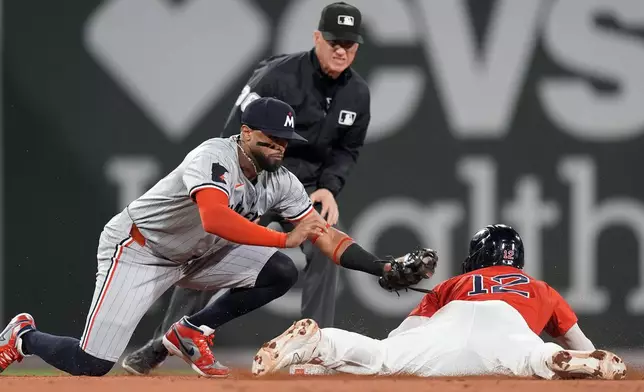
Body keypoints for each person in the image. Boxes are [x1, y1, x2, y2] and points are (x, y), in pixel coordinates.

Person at [0, 97, 422, 377]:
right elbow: (215, 218)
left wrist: (380, 266)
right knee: (90, 364)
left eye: (285, 140)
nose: (279, 147)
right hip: (140, 250)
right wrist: (283, 239)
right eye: (270, 139)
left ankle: (191, 329)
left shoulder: (282, 181)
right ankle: (23, 337)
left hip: (198, 256)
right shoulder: (212, 157)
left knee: (279, 273)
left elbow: (323, 234)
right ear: (246, 132)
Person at [121, 1, 371, 375]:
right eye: (334, 40)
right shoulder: (277, 76)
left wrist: (329, 188)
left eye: (349, 43)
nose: (341, 49)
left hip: (303, 190)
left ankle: (315, 353)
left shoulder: (358, 93)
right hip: (255, 180)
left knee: (323, 243)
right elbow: (233, 133)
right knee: (210, 249)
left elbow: (346, 150)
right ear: (317, 37)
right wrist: (235, 186)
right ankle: (163, 343)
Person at [252, 224, 627, 380]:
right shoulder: (540, 288)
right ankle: (551, 359)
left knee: (384, 357)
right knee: (531, 358)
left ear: (477, 257)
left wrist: (340, 362)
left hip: (452, 318)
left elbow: (404, 335)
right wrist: (584, 355)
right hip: (509, 328)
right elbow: (586, 346)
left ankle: (320, 342)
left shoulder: (455, 283)